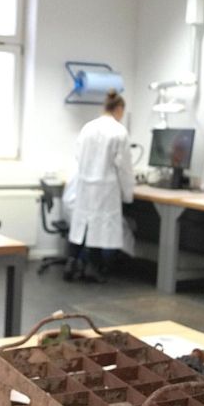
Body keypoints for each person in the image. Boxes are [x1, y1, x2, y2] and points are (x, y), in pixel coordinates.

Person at [65, 89, 136, 283]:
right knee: (100, 229)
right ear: (119, 109)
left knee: (83, 226)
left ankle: (72, 262)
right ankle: (92, 268)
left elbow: (78, 156)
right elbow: (125, 168)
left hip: (86, 185)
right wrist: (128, 194)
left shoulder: (88, 127)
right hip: (106, 187)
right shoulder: (119, 131)